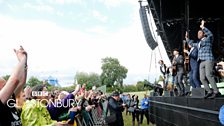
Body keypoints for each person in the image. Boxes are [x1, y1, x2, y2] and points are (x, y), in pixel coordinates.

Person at [188, 20, 220, 99]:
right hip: (201, 61)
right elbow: (192, 44)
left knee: (209, 75)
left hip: (208, 59)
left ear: (203, 34)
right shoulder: (199, 43)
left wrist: (203, 27)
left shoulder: (208, 39)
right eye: (197, 33)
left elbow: (211, 34)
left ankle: (216, 91)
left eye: (200, 33)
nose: (198, 34)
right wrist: (187, 38)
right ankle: (209, 91)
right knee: (202, 78)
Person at [0, 46, 28, 126]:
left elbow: (22, 82)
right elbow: (14, 81)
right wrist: (22, 59)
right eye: (5, 85)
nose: (8, 87)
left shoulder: (10, 100)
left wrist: (25, 62)